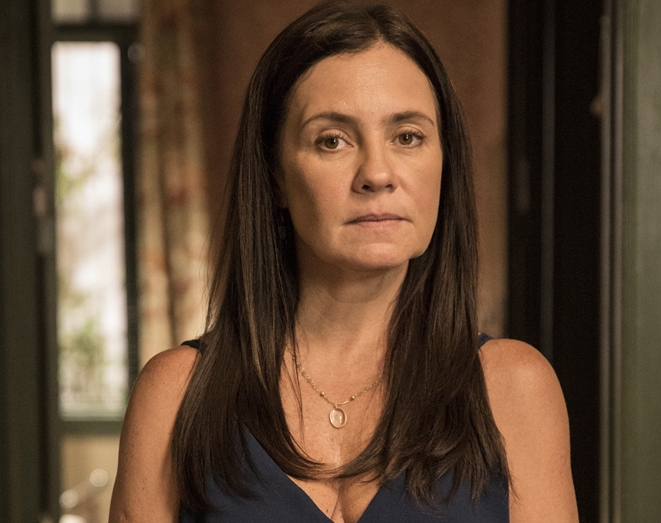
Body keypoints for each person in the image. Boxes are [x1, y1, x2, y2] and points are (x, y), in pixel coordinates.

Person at [109, 2, 578, 522]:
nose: (377, 173)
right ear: (275, 175)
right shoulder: (173, 396)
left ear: (445, 161)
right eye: (332, 140)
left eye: (407, 136)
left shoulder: (515, 388)